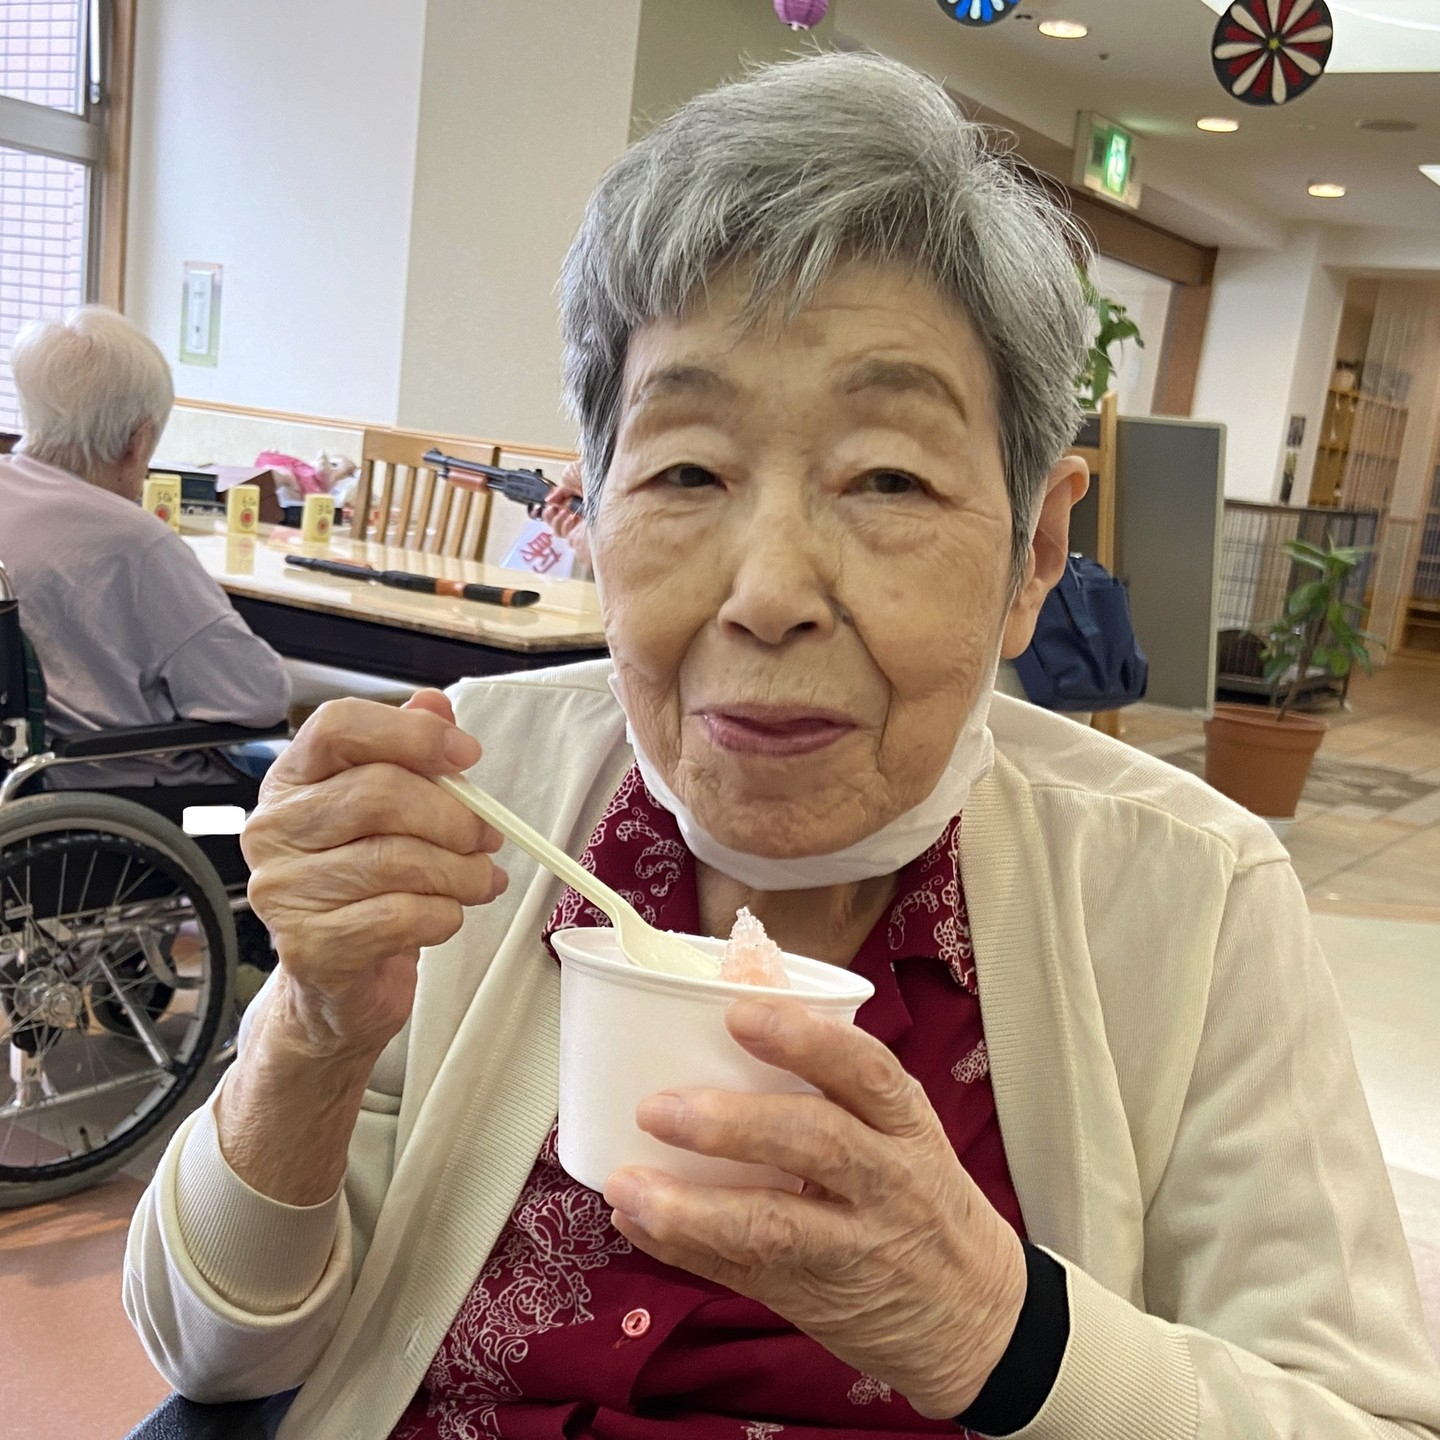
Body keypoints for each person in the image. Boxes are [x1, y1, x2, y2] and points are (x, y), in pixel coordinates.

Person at [124, 54, 1440, 1440]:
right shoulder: (474, 794)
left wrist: (997, 1325)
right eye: (688, 470)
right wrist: (314, 1034)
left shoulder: (1186, 898)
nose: (767, 592)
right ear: (591, 513)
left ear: (1037, 546)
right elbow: (209, 1352)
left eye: (888, 479)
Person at [0, 306, 290, 787]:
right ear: (139, 441)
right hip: (145, 812)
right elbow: (257, 699)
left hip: (20, 793)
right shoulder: (135, 542)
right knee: (284, 810)